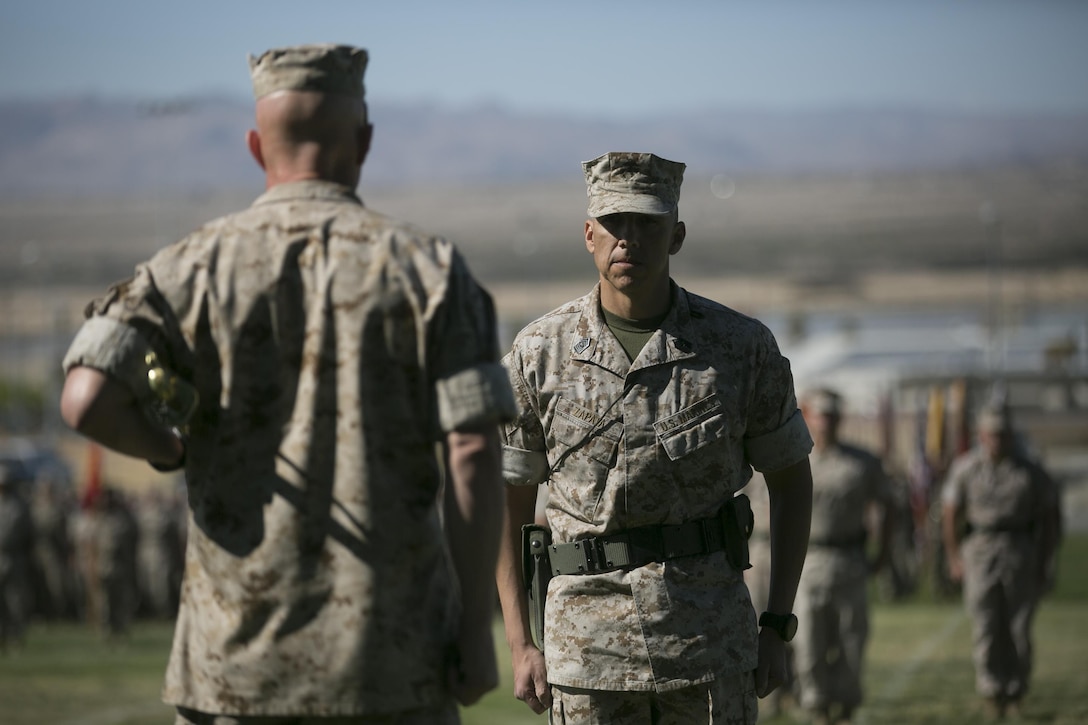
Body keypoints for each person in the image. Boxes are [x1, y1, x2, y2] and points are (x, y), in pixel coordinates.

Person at [59, 43, 514, 724]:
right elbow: (474, 454)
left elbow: (86, 398)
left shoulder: (187, 268)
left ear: (254, 146)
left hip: (232, 674)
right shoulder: (431, 272)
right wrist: (478, 628)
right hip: (389, 670)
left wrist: (169, 449)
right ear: (363, 142)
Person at [495, 151, 814, 724]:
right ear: (589, 235)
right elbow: (507, 501)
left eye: (648, 223)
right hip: (587, 656)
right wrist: (521, 644)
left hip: (708, 647)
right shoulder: (538, 355)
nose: (629, 239)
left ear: (677, 236)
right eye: (615, 223)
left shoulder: (738, 349)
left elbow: (792, 478)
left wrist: (777, 624)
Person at [942, 403, 1060, 720]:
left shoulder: (1031, 471)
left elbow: (1049, 518)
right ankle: (992, 692)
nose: (998, 439)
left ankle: (1017, 690)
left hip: (1019, 549)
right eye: (992, 433)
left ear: (1011, 435)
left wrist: (1046, 561)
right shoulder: (966, 468)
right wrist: (954, 557)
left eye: (1003, 433)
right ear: (982, 435)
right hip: (980, 550)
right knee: (986, 626)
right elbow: (951, 513)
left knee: (1018, 628)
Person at [792, 388, 894, 725]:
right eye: (821, 415)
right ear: (810, 418)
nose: (827, 423)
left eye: (833, 416)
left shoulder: (862, 462)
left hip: (849, 558)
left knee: (852, 637)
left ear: (841, 420)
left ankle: (847, 704)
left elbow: (886, 506)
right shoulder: (797, 457)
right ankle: (817, 704)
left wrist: (883, 552)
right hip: (808, 560)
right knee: (809, 639)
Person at [0, 462, 35, 653]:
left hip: (14, 558)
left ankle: (15, 637)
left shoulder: (19, 507)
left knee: (15, 600)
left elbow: (28, 535)